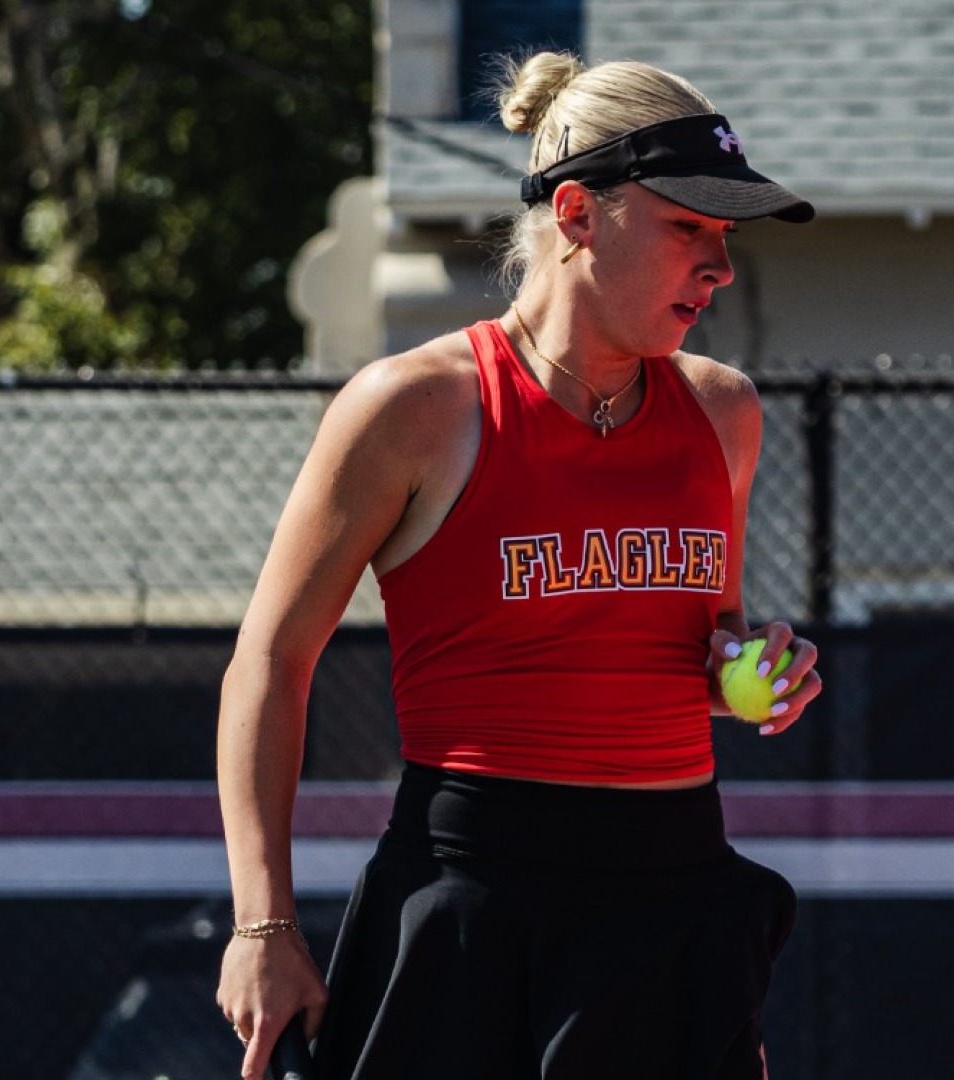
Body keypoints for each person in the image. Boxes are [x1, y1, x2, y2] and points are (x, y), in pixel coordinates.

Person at [214, 49, 823, 1080]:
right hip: (472, 907)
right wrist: (262, 925)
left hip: (675, 898)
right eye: (690, 227)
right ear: (577, 213)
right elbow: (268, 663)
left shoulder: (724, 411)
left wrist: (747, 668)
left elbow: (706, 642)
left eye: (727, 236)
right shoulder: (415, 405)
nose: (720, 266)